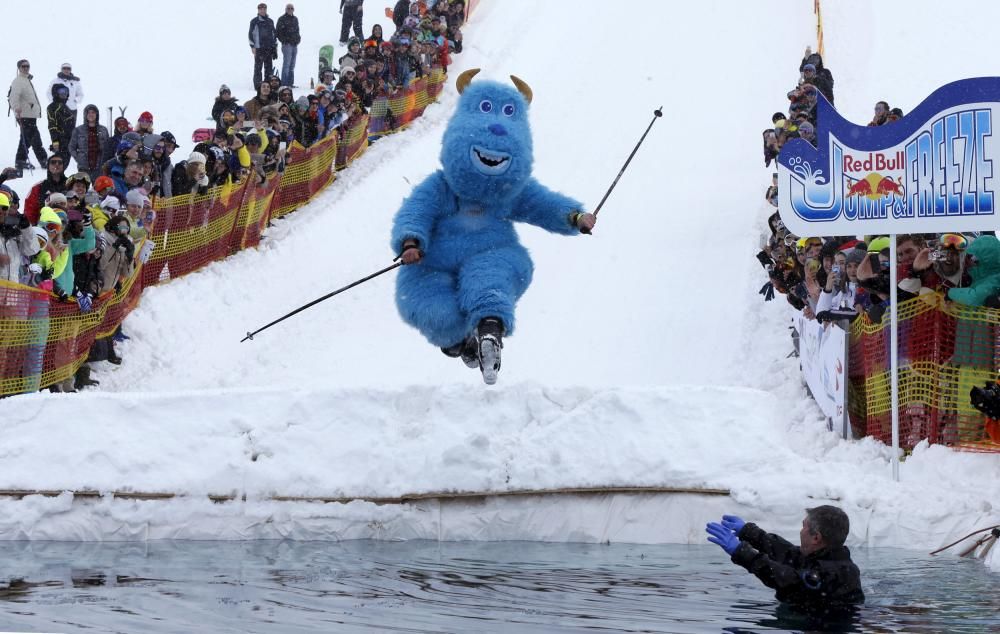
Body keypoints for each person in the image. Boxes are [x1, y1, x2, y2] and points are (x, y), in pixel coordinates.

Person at [390, 70, 595, 385]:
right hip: (433, 262)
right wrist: (410, 241)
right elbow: (416, 210)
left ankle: (489, 327)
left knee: (491, 276)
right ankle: (460, 342)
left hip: (490, 252)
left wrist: (574, 216)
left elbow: (544, 205)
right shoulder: (442, 187)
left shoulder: (511, 193)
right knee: (432, 307)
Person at [706, 506, 864, 616]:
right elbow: (787, 553)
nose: (801, 531)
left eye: (804, 527)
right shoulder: (822, 557)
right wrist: (748, 532)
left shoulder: (835, 572)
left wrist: (742, 552)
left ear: (816, 538)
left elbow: (788, 580)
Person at [9, 59, 48, 173]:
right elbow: (13, 96)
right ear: (19, 68)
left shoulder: (25, 80)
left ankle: (21, 160)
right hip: (24, 114)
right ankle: (42, 159)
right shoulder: (18, 81)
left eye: (27, 66)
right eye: (23, 66)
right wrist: (16, 107)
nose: (26, 68)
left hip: (29, 114)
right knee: (34, 137)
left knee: (26, 137)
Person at [68, 104, 109, 182]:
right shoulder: (78, 130)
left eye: (93, 112)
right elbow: (71, 147)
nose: (91, 115)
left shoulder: (103, 130)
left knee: (99, 189)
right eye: (88, 113)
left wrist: (105, 160)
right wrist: (78, 158)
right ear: (85, 115)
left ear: (97, 114)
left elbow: (107, 148)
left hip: (99, 166)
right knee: (82, 190)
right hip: (84, 167)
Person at [23, 155, 68, 224]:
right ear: (48, 166)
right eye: (53, 162)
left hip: (68, 227)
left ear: (63, 166)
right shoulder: (38, 187)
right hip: (45, 227)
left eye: (60, 162)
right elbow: (30, 211)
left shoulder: (71, 184)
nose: (57, 164)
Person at [249, 3, 278, 91]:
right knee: (258, 68)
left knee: (268, 68)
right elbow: (250, 34)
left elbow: (274, 34)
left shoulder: (270, 21)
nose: (262, 10)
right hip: (259, 48)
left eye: (264, 9)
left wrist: (275, 47)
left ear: (266, 9)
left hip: (269, 48)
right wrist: (252, 46)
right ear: (258, 10)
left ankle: (267, 85)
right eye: (260, 9)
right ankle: (258, 86)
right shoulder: (254, 21)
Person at [46, 84, 75, 165]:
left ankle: (58, 177)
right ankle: (53, 177)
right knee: (60, 164)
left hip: (69, 140)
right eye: (61, 91)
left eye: (66, 91)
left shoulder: (65, 107)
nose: (64, 94)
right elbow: (52, 126)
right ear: (55, 93)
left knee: (64, 163)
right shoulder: (52, 107)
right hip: (61, 140)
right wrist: (55, 141)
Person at [47, 62, 84, 126]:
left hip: (72, 109)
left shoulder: (75, 82)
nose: (66, 70)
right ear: (61, 69)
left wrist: (75, 100)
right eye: (64, 68)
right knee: (59, 128)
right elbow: (48, 93)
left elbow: (81, 94)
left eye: (68, 68)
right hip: (58, 109)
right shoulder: (55, 81)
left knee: (71, 129)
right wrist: (54, 103)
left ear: (70, 70)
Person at [276, 3, 300, 87]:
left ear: (293, 10)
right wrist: (285, 41)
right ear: (285, 9)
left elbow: (297, 31)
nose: (290, 9)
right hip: (287, 45)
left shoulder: (295, 19)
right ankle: (284, 84)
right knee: (286, 64)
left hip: (294, 45)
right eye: (288, 8)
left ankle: (290, 83)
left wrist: (298, 39)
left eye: (291, 8)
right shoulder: (282, 19)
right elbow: (278, 32)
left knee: (292, 65)